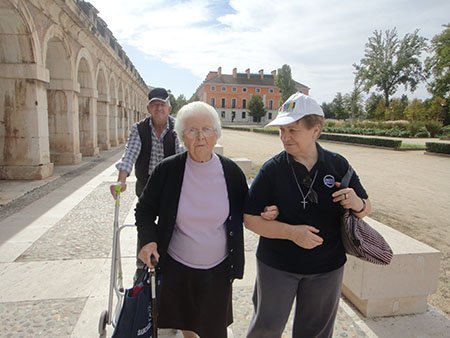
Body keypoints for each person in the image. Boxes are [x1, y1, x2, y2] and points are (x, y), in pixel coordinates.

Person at [135, 101, 277, 338]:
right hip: (178, 265)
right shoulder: (167, 170)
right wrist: (148, 240)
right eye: (191, 130)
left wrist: (267, 211)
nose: (200, 137)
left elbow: (248, 206)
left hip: (218, 268)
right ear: (182, 136)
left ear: (216, 134)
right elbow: (145, 209)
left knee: (215, 329)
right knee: (188, 325)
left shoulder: (231, 172)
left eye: (206, 129)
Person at [244, 92, 372, 338]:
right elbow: (250, 219)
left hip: (327, 268)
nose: (284, 137)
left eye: (293, 130)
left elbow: (366, 208)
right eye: (282, 130)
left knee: (315, 333)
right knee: (266, 329)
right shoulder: (272, 170)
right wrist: (291, 233)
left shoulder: (338, 165)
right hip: (277, 266)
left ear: (316, 130)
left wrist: (357, 203)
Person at [110, 87, 184, 276]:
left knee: (172, 223)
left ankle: (169, 262)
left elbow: (183, 154)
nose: (159, 108)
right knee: (145, 224)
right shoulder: (139, 128)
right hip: (147, 186)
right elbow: (130, 155)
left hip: (170, 186)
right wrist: (121, 181)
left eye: (162, 104)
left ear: (169, 107)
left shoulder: (177, 128)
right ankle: (142, 265)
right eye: (154, 105)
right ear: (149, 109)